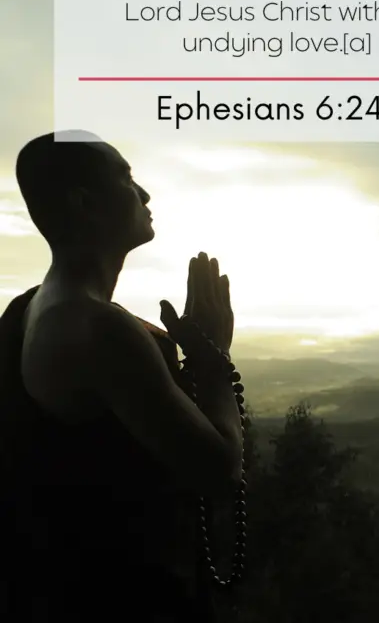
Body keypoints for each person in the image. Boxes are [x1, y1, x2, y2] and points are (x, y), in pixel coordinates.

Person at [0, 130, 243, 621]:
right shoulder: (98, 328)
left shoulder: (28, 309)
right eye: (127, 179)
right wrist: (212, 356)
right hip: (119, 599)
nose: (144, 194)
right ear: (85, 203)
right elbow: (217, 470)